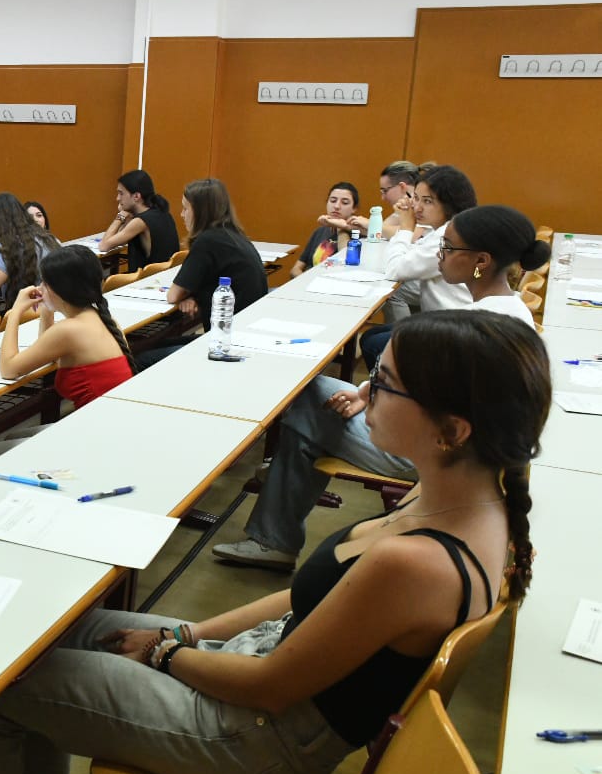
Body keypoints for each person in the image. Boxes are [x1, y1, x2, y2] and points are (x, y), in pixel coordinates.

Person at [0, 310, 550, 774]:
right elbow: (306, 604)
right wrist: (191, 635)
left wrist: (167, 652)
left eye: (387, 384)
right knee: (51, 629)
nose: (366, 392)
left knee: (1, 690)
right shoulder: (470, 505)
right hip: (259, 679)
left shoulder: (418, 561)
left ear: (451, 430)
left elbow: (270, 687)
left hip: (255, 741)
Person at [214, 205, 542, 571]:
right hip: (463, 452)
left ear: (481, 260)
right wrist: (368, 393)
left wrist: (372, 401)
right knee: (315, 398)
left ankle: (273, 537)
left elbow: (426, 403)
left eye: (448, 247)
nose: (438, 254)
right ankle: (276, 520)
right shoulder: (508, 313)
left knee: (309, 401)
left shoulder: (479, 326)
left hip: (438, 457)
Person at [0, 246, 134, 460]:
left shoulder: (69, 330)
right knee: (15, 436)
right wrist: (47, 309)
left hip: (96, 438)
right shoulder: (104, 319)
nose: (40, 288)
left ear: (61, 289)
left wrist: (15, 312)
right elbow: (50, 353)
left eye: (45, 283)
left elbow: (8, 369)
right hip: (111, 425)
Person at [136, 179, 268, 369]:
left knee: (141, 357)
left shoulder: (207, 241)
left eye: (185, 209)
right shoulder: (233, 234)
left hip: (225, 345)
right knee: (157, 343)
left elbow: (173, 295)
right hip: (242, 335)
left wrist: (186, 294)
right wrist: (192, 295)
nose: (182, 215)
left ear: (200, 212)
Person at [360, 164, 478, 370]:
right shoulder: (445, 229)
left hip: (452, 331)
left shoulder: (447, 236)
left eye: (428, 201)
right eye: (417, 199)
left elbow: (395, 270)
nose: (417, 208)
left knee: (373, 344)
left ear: (450, 203)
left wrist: (406, 227)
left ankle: (395, 394)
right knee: (372, 334)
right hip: (448, 322)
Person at [99, 169, 179, 273]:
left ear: (136, 196)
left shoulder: (140, 221)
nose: (117, 198)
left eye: (121, 193)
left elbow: (104, 246)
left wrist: (120, 216)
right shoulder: (161, 212)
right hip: (165, 274)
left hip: (147, 278)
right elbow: (121, 238)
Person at [289, 181, 361, 276]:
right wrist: (304, 281)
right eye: (333, 200)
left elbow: (346, 266)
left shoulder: (358, 237)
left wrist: (340, 227)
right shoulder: (319, 231)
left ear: (354, 208)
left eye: (344, 202)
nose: (336, 206)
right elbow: (296, 268)